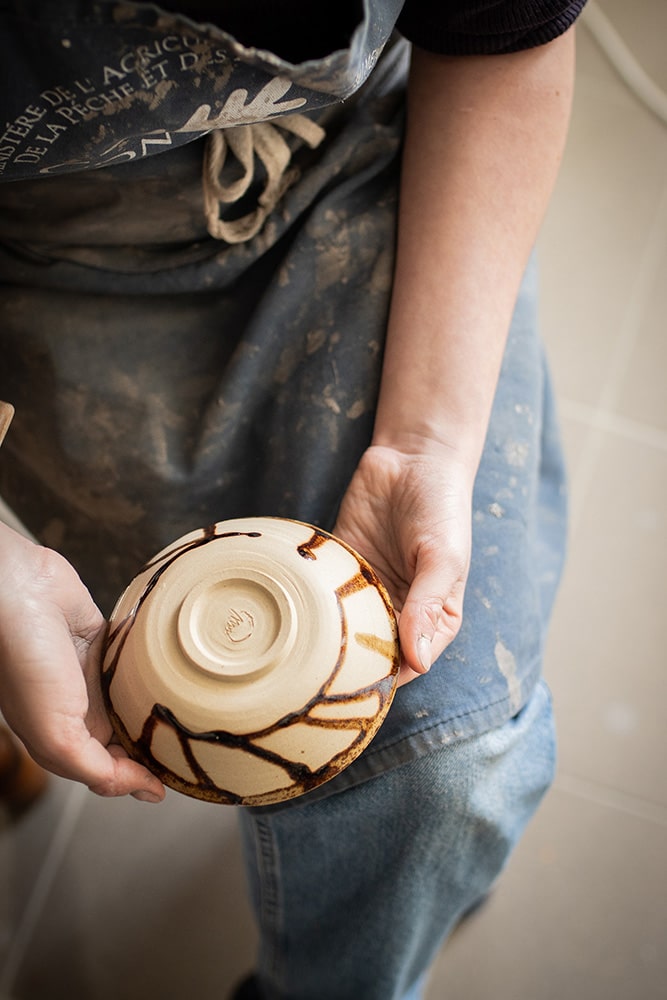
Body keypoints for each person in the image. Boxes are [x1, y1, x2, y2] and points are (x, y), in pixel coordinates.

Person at [0, 1, 584, 996]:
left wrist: (423, 441)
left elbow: (501, 45)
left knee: (443, 765)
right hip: (45, 261)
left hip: (362, 168)